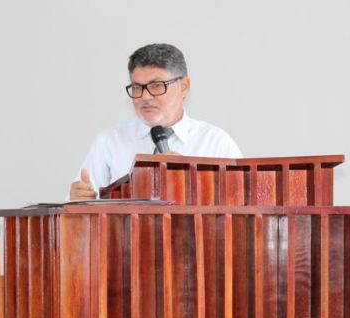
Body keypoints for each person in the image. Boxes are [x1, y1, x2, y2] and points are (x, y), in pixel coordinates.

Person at [69, 43, 242, 200]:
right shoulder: (110, 141)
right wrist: (79, 203)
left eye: (156, 86)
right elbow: (81, 203)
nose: (145, 97)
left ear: (184, 87)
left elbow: (240, 206)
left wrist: (192, 180)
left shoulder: (215, 143)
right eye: (137, 87)